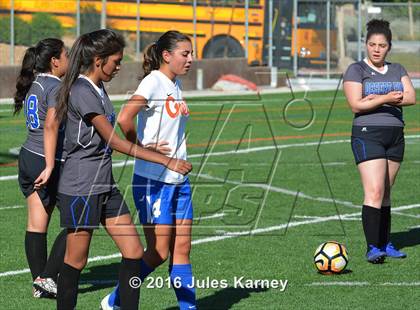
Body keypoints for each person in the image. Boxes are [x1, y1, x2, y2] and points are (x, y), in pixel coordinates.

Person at [51, 29, 192, 309]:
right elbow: (114, 140)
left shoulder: (98, 88)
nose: (118, 67)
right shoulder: (81, 89)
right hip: (82, 187)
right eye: (115, 61)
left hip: (105, 185)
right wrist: (162, 158)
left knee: (134, 252)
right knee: (76, 261)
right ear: (98, 60)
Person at [101, 30, 196, 310]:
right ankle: (115, 300)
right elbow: (125, 117)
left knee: (182, 251)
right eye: (185, 54)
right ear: (166, 56)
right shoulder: (154, 81)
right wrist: (142, 147)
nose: (190, 59)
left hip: (179, 180)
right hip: (153, 181)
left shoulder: (174, 83)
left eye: (191, 54)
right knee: (157, 253)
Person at [343, 19, 416, 263]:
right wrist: (387, 97)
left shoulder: (398, 69)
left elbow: (411, 97)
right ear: (366, 45)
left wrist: (375, 99)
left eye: (382, 45)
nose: (376, 49)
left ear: (389, 47)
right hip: (367, 134)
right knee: (373, 191)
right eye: (372, 44)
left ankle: (386, 242)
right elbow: (356, 104)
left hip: (395, 136)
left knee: (385, 193)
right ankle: (373, 247)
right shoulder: (356, 70)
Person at [14, 38, 69, 298]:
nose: (70, 59)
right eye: (66, 55)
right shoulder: (56, 86)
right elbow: (51, 127)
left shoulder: (35, 83)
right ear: (54, 61)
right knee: (79, 219)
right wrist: (49, 164)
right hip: (45, 159)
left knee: (37, 223)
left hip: (27, 155)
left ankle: (40, 283)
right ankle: (47, 277)